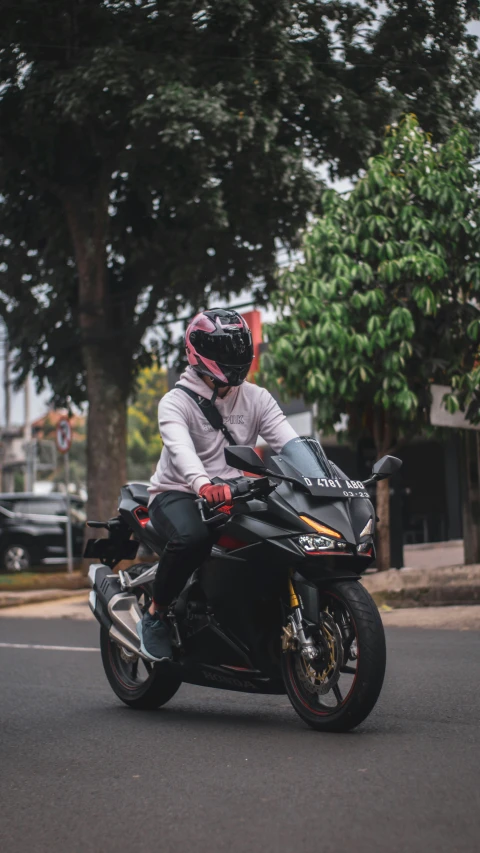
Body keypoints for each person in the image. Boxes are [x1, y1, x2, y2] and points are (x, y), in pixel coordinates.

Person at [139, 308, 298, 661]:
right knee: (193, 537)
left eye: (238, 350)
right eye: (225, 352)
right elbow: (181, 452)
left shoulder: (256, 397)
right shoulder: (175, 403)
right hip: (176, 493)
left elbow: (291, 442)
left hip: (237, 494)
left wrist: (319, 472)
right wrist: (202, 484)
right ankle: (155, 614)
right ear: (200, 353)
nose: (234, 360)